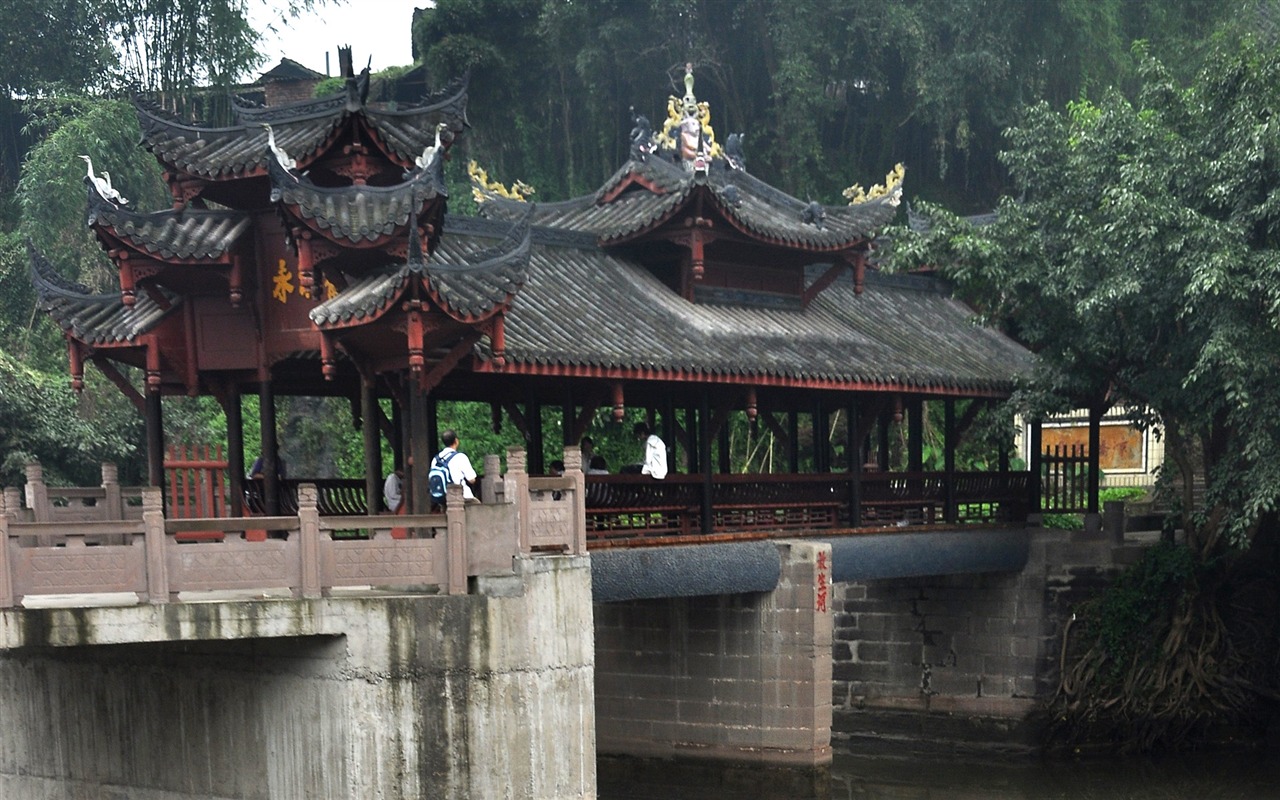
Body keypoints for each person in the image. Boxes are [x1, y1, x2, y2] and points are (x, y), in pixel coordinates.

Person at [436, 429, 478, 502]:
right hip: (461, 496)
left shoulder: (436, 459)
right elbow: (472, 479)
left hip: (442, 496)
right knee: (479, 508)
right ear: (456, 441)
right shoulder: (460, 457)